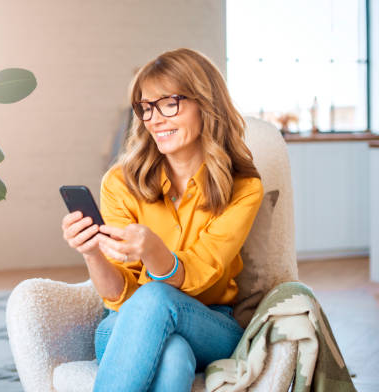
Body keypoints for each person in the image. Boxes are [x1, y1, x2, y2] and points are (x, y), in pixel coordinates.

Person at [61, 48, 264, 392]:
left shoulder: (244, 189)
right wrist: (92, 252)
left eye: (169, 103)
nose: (154, 118)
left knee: (156, 297)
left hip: (209, 324)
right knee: (171, 356)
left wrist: (154, 251)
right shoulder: (120, 183)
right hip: (124, 324)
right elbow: (117, 296)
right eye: (146, 107)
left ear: (206, 104)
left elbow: (202, 271)